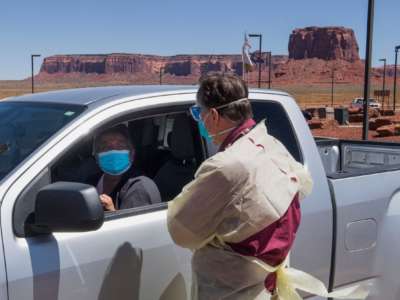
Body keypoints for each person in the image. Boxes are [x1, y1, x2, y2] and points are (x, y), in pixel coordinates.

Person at [167, 72, 313, 299]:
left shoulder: (226, 166)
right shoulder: (272, 146)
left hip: (232, 291)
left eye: (199, 113)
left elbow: (182, 232)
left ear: (213, 115)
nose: (200, 121)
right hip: (266, 288)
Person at [93, 124, 161, 211]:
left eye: (120, 146)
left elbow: (134, 224)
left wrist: (112, 212)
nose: (113, 151)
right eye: (105, 147)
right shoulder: (91, 182)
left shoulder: (140, 188)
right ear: (96, 156)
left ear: (132, 153)